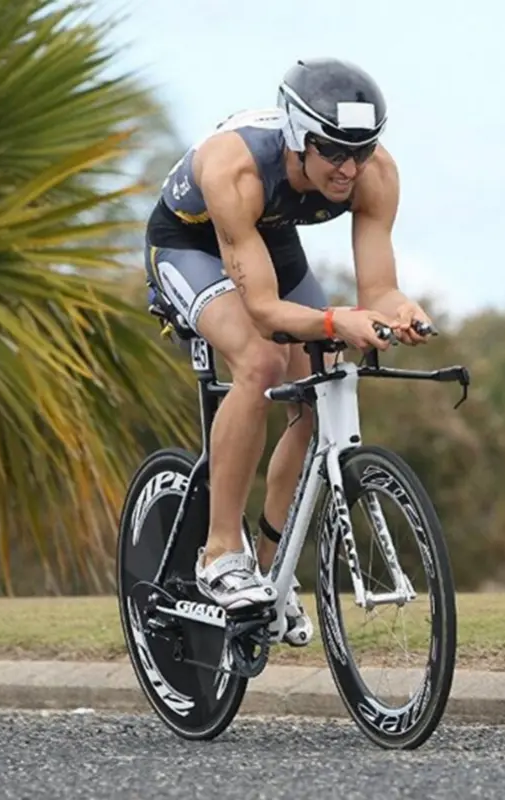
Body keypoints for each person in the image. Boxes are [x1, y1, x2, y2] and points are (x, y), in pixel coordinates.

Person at [144, 57, 434, 646]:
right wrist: (337, 318)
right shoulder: (237, 168)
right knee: (261, 363)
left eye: (362, 150)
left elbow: (377, 288)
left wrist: (398, 309)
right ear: (299, 139)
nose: (349, 168)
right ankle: (220, 551)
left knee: (320, 383)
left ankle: (270, 574)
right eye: (333, 151)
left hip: (269, 237)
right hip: (190, 242)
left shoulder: (375, 173)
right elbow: (266, 314)